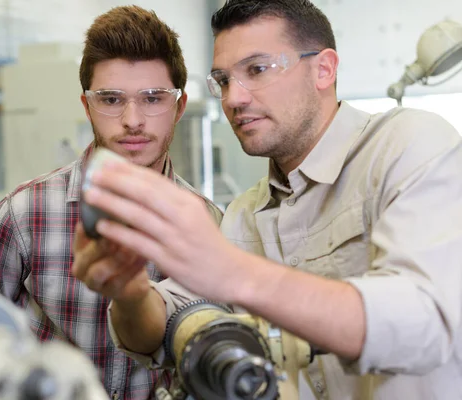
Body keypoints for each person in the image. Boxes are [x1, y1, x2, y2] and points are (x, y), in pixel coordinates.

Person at [73, 0, 462, 399]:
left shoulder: (408, 145)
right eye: (223, 80)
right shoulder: (245, 213)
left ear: (324, 69)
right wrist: (131, 292)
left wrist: (236, 273)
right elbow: (160, 327)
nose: (233, 98)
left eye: (256, 70)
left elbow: (426, 323)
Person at [0, 5, 223, 400]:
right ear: (87, 106)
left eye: (153, 98)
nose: (133, 120)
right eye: (112, 99)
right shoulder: (23, 215)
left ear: (179, 107)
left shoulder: (209, 225)